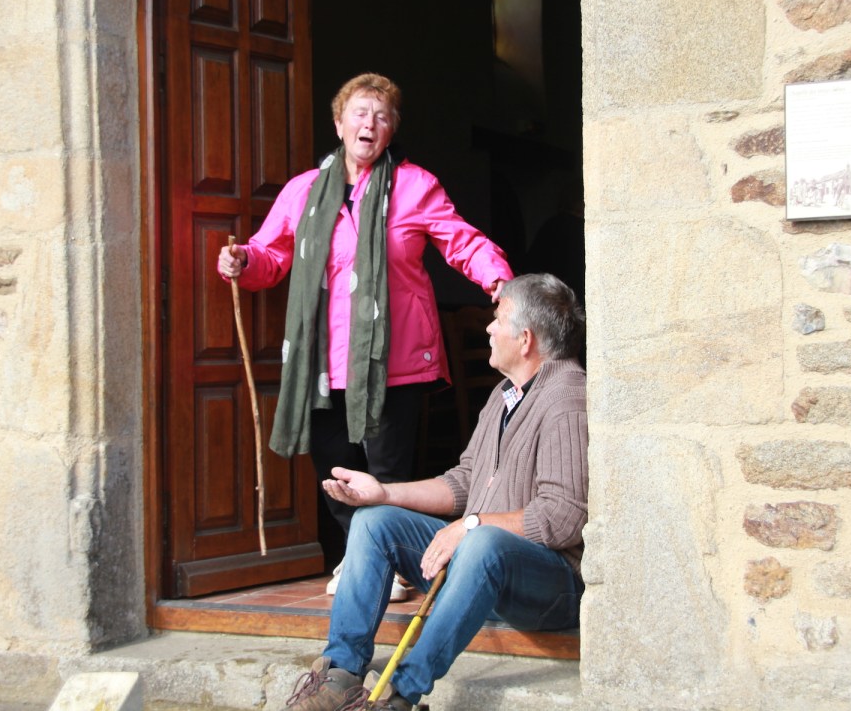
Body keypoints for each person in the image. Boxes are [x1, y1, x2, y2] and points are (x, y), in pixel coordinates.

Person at [218, 73, 514, 598]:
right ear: (339, 124)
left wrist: (499, 280)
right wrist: (242, 260)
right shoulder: (303, 192)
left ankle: (391, 564)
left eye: (381, 116)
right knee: (336, 468)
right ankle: (359, 556)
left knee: (387, 469)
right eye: (359, 113)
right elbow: (271, 256)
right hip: (322, 363)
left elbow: (462, 241)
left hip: (394, 360)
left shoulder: (415, 186)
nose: (369, 124)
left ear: (391, 130)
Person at [279, 273, 587, 711]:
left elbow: (563, 517)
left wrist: (472, 526)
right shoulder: (504, 395)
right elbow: (463, 482)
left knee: (483, 542)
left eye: (498, 319)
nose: (488, 327)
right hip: (479, 571)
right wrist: (384, 494)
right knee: (373, 522)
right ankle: (341, 673)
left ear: (525, 340)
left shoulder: (567, 398)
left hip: (548, 588)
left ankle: (400, 694)